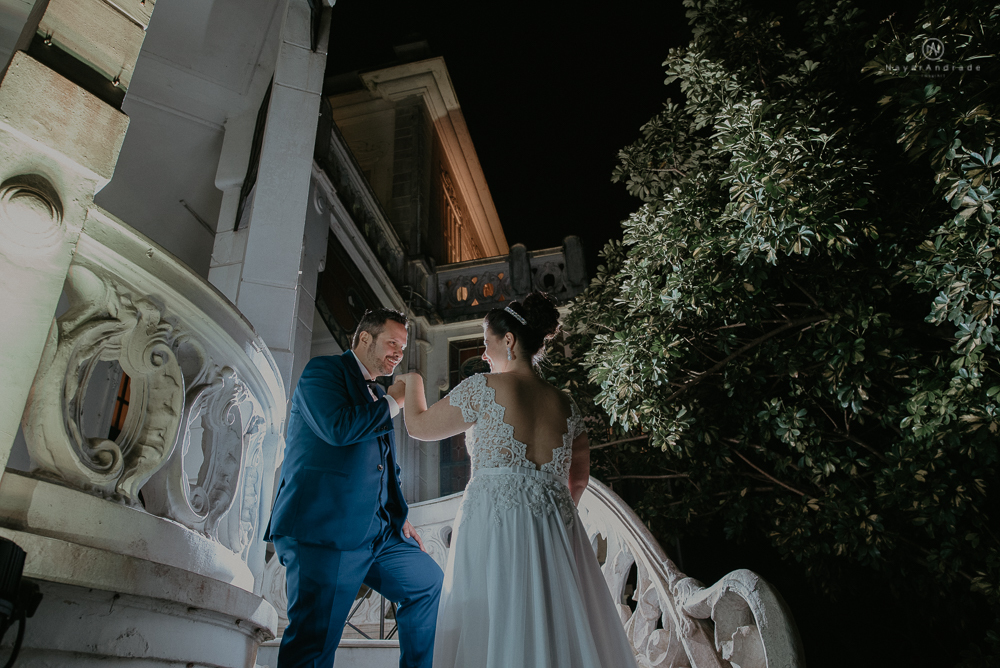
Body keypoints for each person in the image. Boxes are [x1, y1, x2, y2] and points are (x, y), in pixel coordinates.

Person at [398, 292, 638, 668]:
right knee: (553, 626)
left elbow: (418, 426)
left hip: (494, 523)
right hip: (554, 529)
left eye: (486, 340)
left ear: (508, 340)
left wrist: (411, 380)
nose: (484, 350)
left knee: (493, 620)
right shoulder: (565, 403)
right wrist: (549, 513)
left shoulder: (485, 387)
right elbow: (578, 478)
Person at [264, 307, 444, 668]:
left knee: (426, 582)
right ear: (365, 339)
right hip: (325, 529)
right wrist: (395, 400)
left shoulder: (378, 392)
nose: (398, 352)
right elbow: (338, 429)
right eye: (392, 342)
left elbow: (385, 466)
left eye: (403, 346)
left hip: (379, 532)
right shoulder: (323, 372)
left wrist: (399, 515)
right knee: (313, 645)